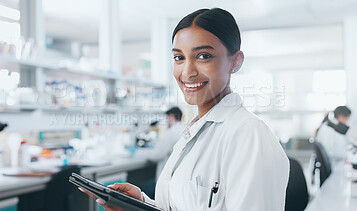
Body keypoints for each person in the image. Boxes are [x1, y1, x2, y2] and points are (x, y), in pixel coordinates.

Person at [80, 8, 290, 211]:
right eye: (179, 58)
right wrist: (142, 203)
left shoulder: (248, 134)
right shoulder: (191, 133)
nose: (187, 72)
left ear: (235, 62)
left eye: (203, 56)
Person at [136, 107, 184, 179]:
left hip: (169, 176)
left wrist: (137, 152)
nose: (166, 121)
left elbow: (156, 155)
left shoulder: (171, 133)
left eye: (166, 118)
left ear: (171, 116)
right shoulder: (183, 129)